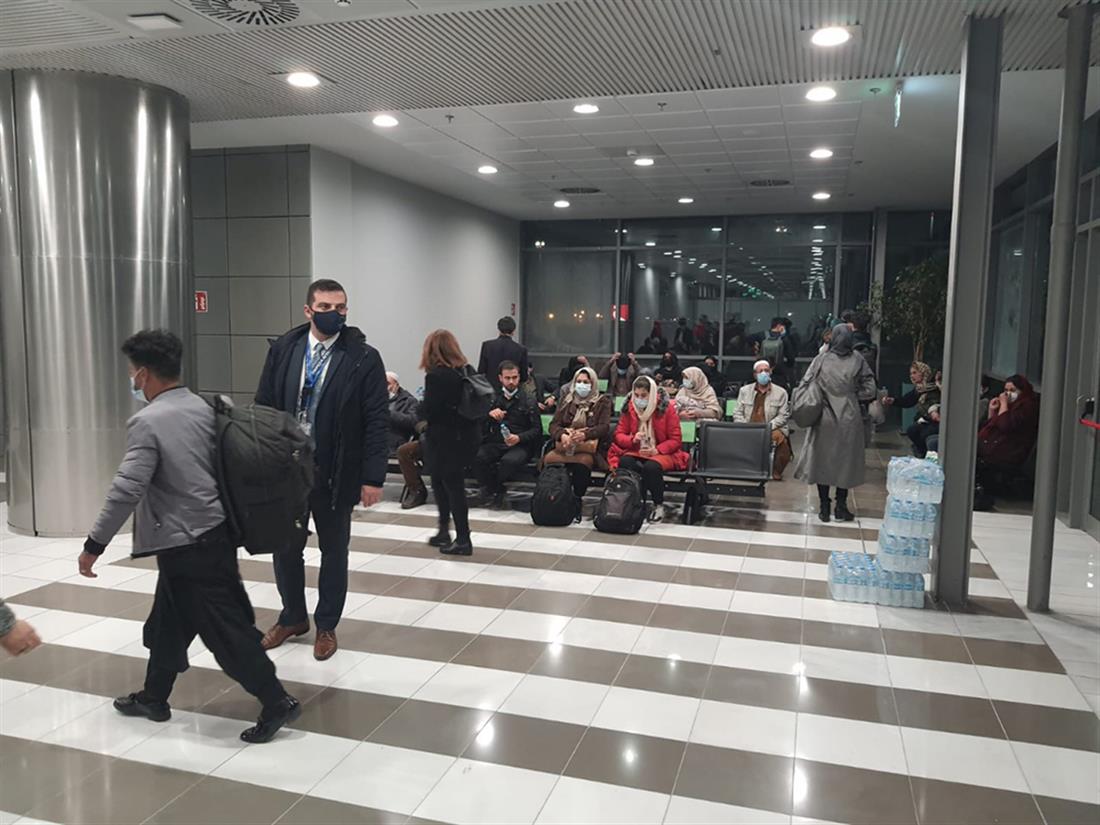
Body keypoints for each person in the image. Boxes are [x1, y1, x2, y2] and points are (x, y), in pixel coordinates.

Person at [79, 330, 298, 743]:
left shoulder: (148, 421)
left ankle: (276, 701)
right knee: (169, 622)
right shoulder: (205, 406)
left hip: (188, 543)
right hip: (211, 534)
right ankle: (154, 697)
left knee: (226, 630)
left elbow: (127, 488)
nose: (132, 379)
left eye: (132, 371)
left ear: (143, 374)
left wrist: (94, 545)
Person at [255, 279, 389, 662]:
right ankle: (293, 617)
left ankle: (326, 624)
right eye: (326, 307)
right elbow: (264, 407)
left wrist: (373, 477)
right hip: (288, 471)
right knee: (285, 548)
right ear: (308, 310)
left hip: (335, 471)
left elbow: (376, 420)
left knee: (334, 551)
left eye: (340, 307)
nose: (335, 314)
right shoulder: (285, 350)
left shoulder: (363, 358)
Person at [793, 324, 877, 523]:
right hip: (849, 417)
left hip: (824, 417)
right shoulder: (858, 359)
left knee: (822, 462)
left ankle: (824, 507)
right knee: (845, 463)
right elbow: (870, 389)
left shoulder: (821, 359)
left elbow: (806, 383)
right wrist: (852, 395)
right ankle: (841, 506)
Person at [420, 329, 481, 556]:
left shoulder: (436, 376)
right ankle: (445, 531)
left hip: (444, 439)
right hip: (465, 436)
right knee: (444, 483)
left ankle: (462, 538)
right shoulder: (464, 371)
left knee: (451, 488)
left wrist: (419, 411)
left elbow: (431, 410)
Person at [609, 376, 690, 523]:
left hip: (663, 452)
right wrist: (633, 439)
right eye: (636, 395)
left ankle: (658, 504)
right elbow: (619, 435)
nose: (639, 399)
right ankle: (635, 499)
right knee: (626, 462)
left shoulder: (666, 409)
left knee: (651, 467)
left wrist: (656, 450)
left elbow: (675, 440)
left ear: (651, 394)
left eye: (643, 395)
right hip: (637, 450)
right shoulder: (629, 408)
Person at [544, 366, 613, 519]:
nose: (582, 385)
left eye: (586, 382)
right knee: (551, 462)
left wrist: (585, 434)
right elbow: (553, 425)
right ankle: (553, 498)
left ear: (593, 383)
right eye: (579, 382)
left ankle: (576, 500)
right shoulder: (567, 400)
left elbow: (604, 427)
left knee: (581, 464)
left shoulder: (603, 402)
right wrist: (562, 434)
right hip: (566, 444)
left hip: (589, 447)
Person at [475, 360, 543, 507]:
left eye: (514, 377)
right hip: (496, 442)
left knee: (509, 462)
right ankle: (493, 488)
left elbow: (537, 430)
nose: (511, 381)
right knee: (478, 456)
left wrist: (519, 438)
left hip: (520, 444)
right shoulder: (492, 398)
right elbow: (479, 423)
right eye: (507, 378)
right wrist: (489, 415)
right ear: (500, 378)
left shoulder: (529, 400)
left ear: (519, 377)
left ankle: (496, 488)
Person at [733, 360, 793, 480]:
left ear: (770, 372)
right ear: (755, 374)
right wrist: (745, 426)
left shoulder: (781, 392)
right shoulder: (744, 391)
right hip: (748, 427)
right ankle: (744, 468)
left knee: (780, 439)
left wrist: (768, 427)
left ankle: (775, 470)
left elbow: (783, 416)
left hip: (771, 427)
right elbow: (737, 413)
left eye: (766, 370)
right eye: (760, 371)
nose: (764, 373)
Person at [977, 374, 1040, 479]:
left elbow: (1005, 425)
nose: (1008, 394)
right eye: (1006, 390)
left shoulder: (1027, 407)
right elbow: (992, 426)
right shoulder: (1009, 406)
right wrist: (992, 411)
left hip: (1006, 454)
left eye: (1013, 390)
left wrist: (1004, 404)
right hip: (990, 448)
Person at [884, 361, 941, 458]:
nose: (912, 376)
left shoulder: (934, 388)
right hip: (926, 419)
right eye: (911, 373)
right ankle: (922, 453)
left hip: (936, 420)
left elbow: (935, 403)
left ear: (922, 373)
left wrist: (933, 411)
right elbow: (908, 400)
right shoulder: (919, 389)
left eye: (915, 373)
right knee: (912, 430)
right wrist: (893, 401)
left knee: (924, 434)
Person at [388, 372, 427, 509]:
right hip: (374, 440)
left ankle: (417, 491)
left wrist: (389, 414)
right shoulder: (374, 400)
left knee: (405, 451)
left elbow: (412, 422)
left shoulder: (409, 401)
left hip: (395, 440)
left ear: (396, 385)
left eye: (387, 384)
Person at [477, 316, 529, 389]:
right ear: (513, 331)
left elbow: (481, 371)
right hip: (511, 389)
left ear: (499, 329)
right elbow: (524, 377)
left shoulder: (487, 346)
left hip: (491, 389)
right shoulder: (521, 349)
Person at [757, 317, 797, 389]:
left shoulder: (762, 335)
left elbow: (748, 339)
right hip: (779, 374)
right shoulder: (784, 339)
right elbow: (791, 358)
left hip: (763, 372)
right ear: (779, 326)